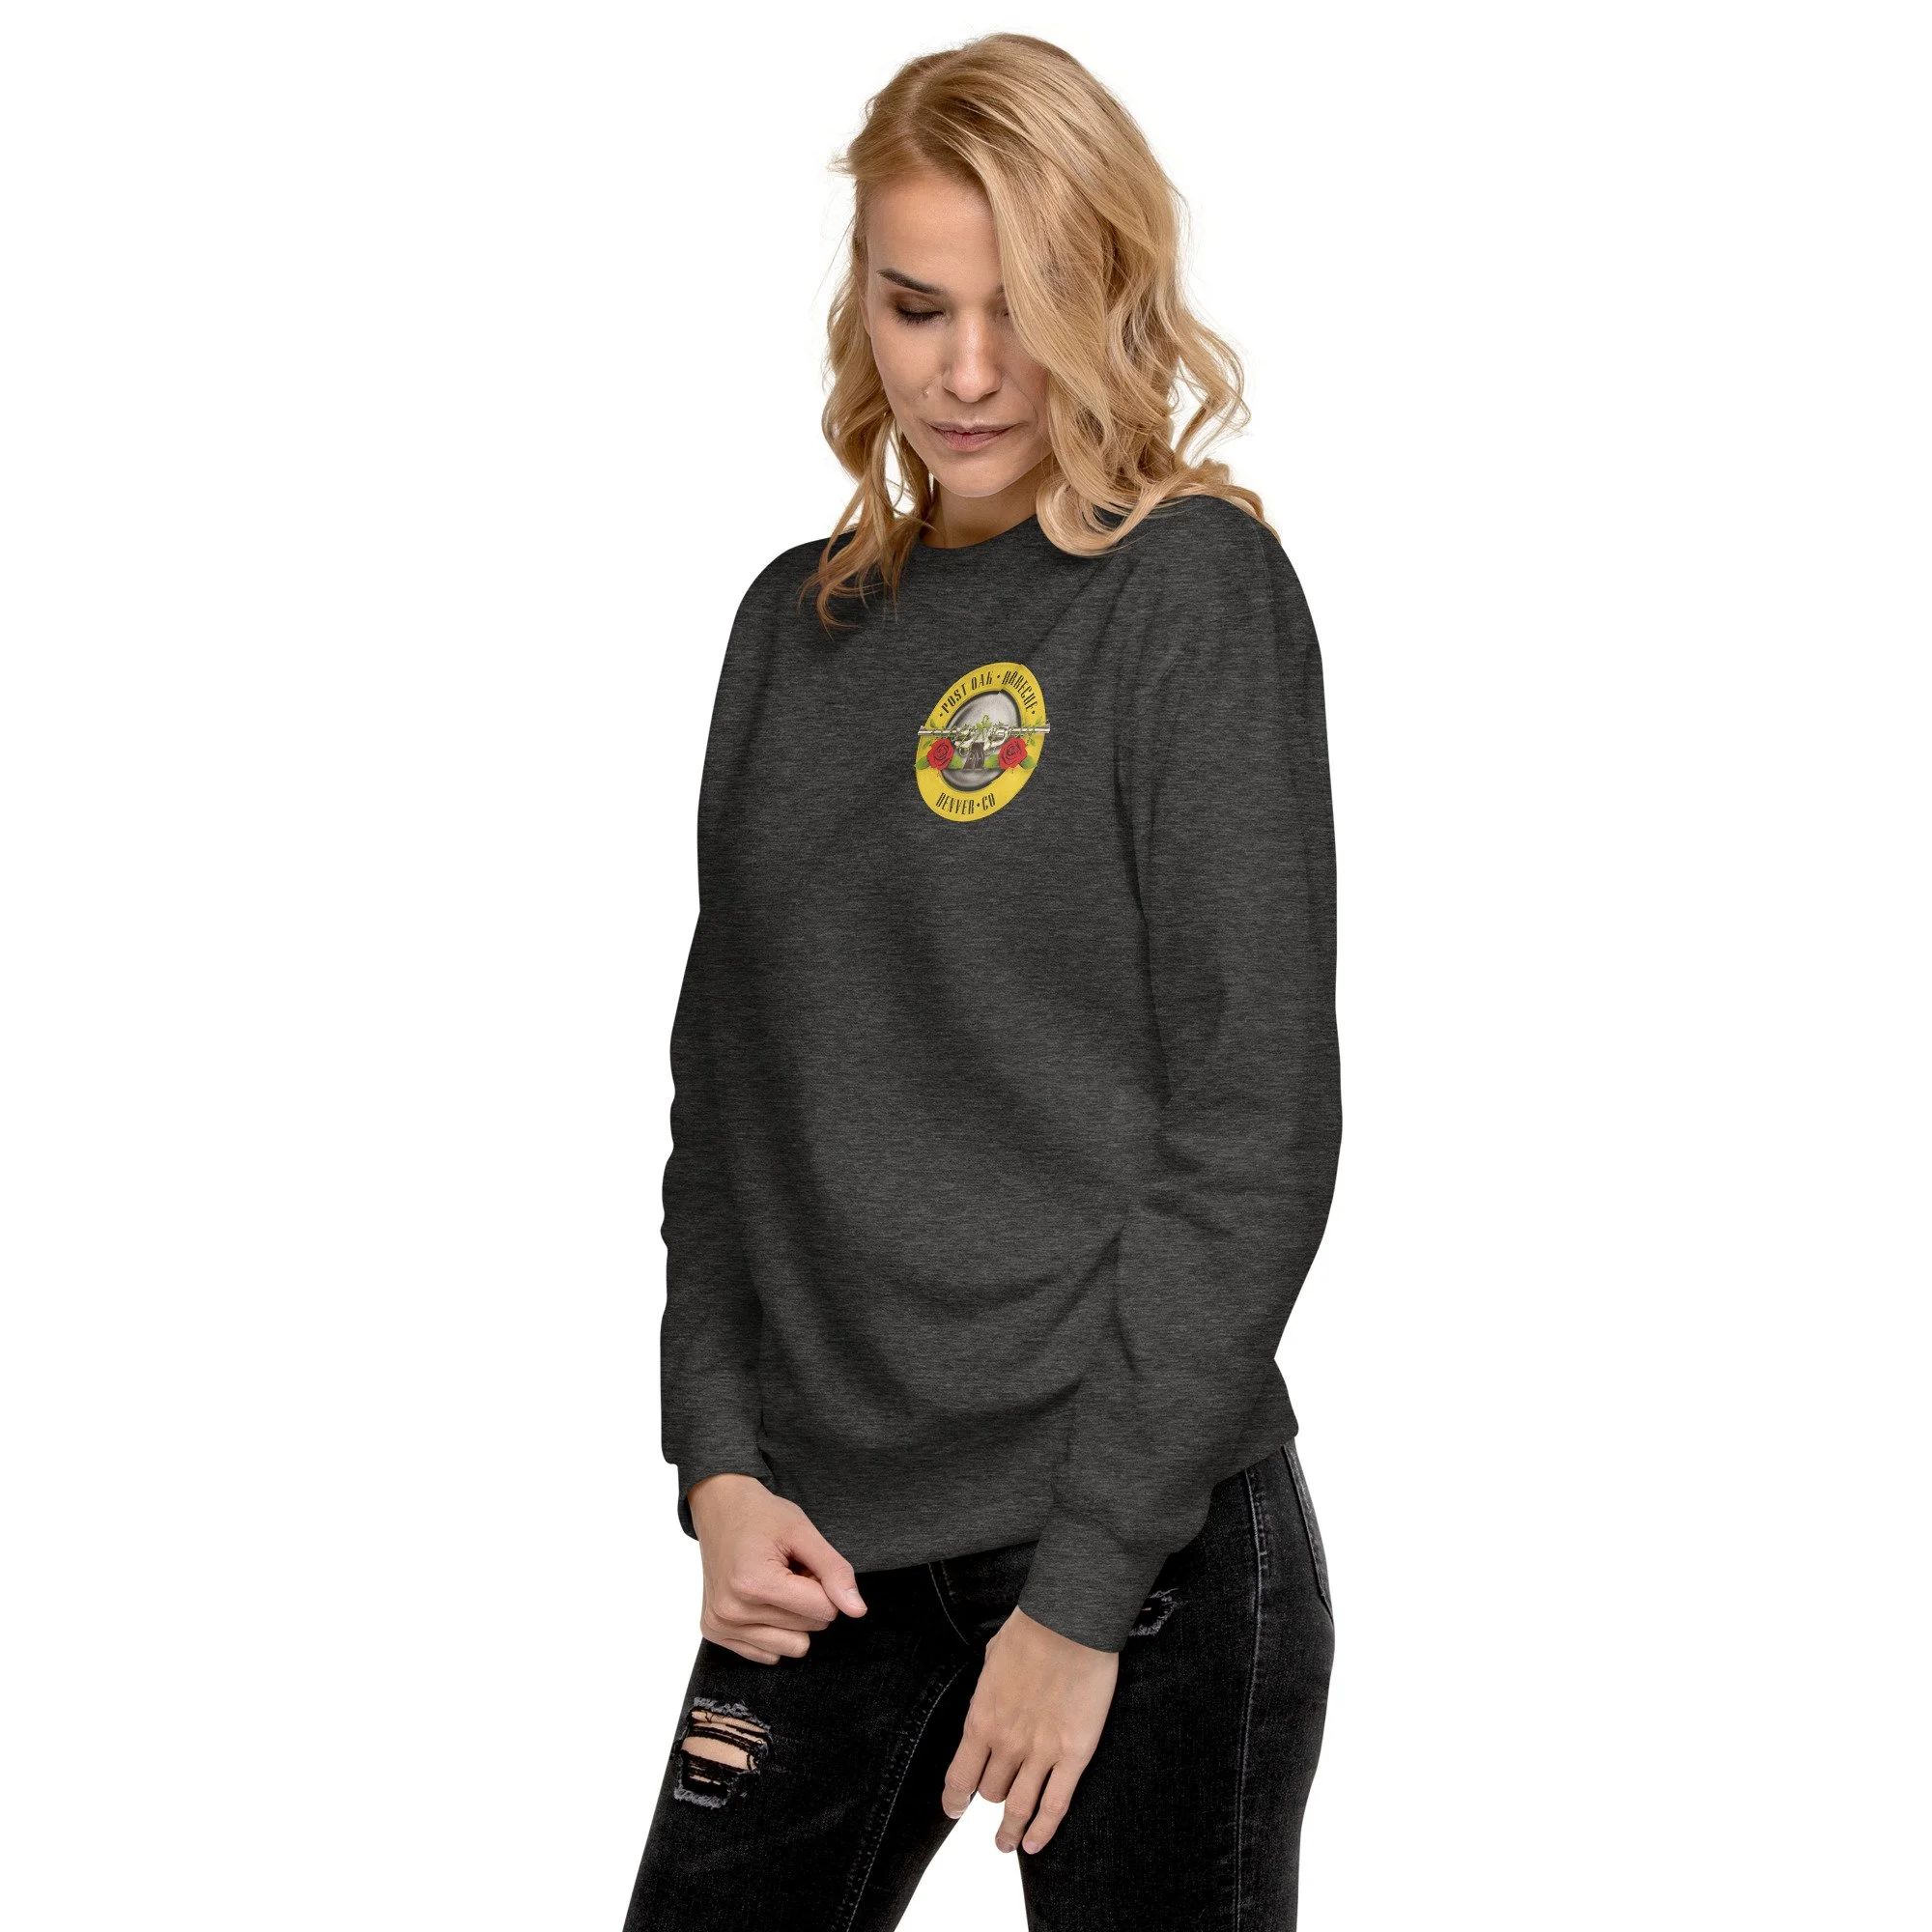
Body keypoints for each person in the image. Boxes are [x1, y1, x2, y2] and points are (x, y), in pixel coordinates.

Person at [621, 32, 1341, 1931]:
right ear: (859, 302)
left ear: (1111, 288)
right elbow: (729, 1101)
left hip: (1135, 1558)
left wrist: (1081, 1597)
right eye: (917, 304)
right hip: (821, 1556)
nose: (963, 372)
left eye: (1020, 306)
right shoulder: (792, 630)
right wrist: (716, 1462)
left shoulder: (1185, 594)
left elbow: (1253, 1133)